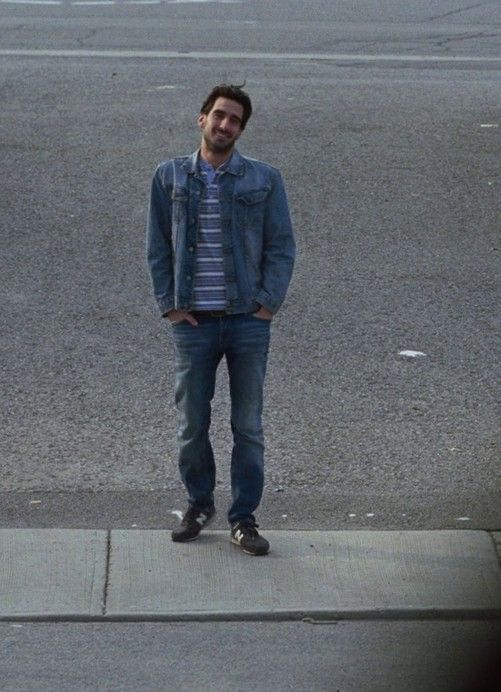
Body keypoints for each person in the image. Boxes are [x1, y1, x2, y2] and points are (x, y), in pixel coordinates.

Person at [146, 83, 295, 556]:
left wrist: (267, 303)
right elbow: (158, 247)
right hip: (194, 324)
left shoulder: (264, 179)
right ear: (202, 118)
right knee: (192, 422)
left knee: (247, 425)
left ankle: (244, 519)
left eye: (235, 120)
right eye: (219, 116)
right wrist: (169, 304)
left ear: (241, 130)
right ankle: (198, 504)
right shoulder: (169, 176)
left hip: (248, 321)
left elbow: (281, 245)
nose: (225, 125)